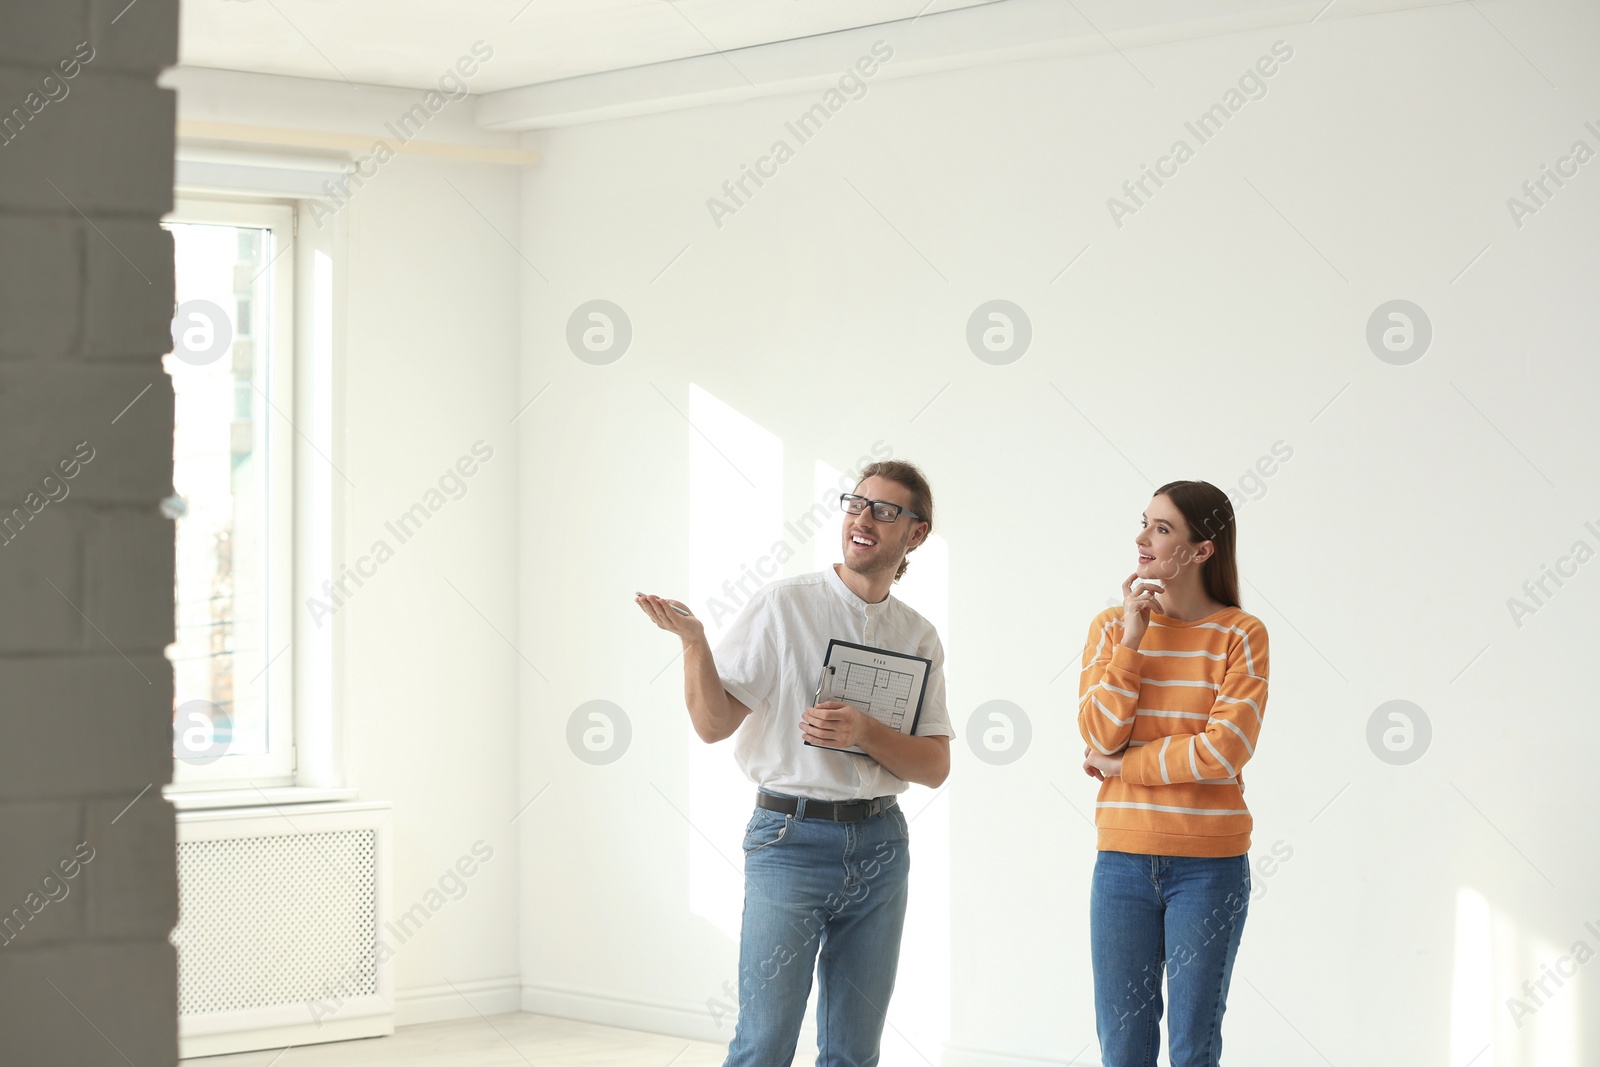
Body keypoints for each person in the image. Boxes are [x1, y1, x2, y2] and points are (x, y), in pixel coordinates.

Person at [637, 459, 952, 1067]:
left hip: (883, 842)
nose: (863, 519)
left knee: (855, 1053)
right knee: (764, 1043)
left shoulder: (919, 636)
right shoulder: (784, 605)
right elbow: (712, 725)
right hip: (790, 841)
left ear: (916, 534)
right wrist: (695, 643)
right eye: (855, 504)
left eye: (885, 511)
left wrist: (866, 730)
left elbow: (935, 766)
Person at [1077, 480, 1270, 1067]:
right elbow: (1096, 734)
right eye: (1144, 522)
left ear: (1202, 550)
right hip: (1121, 865)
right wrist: (1133, 642)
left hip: (1209, 869)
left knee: (1192, 1047)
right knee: (1123, 1048)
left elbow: (1222, 754)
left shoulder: (1242, 634)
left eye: (1162, 529)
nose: (1142, 538)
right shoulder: (1113, 627)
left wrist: (1120, 767)